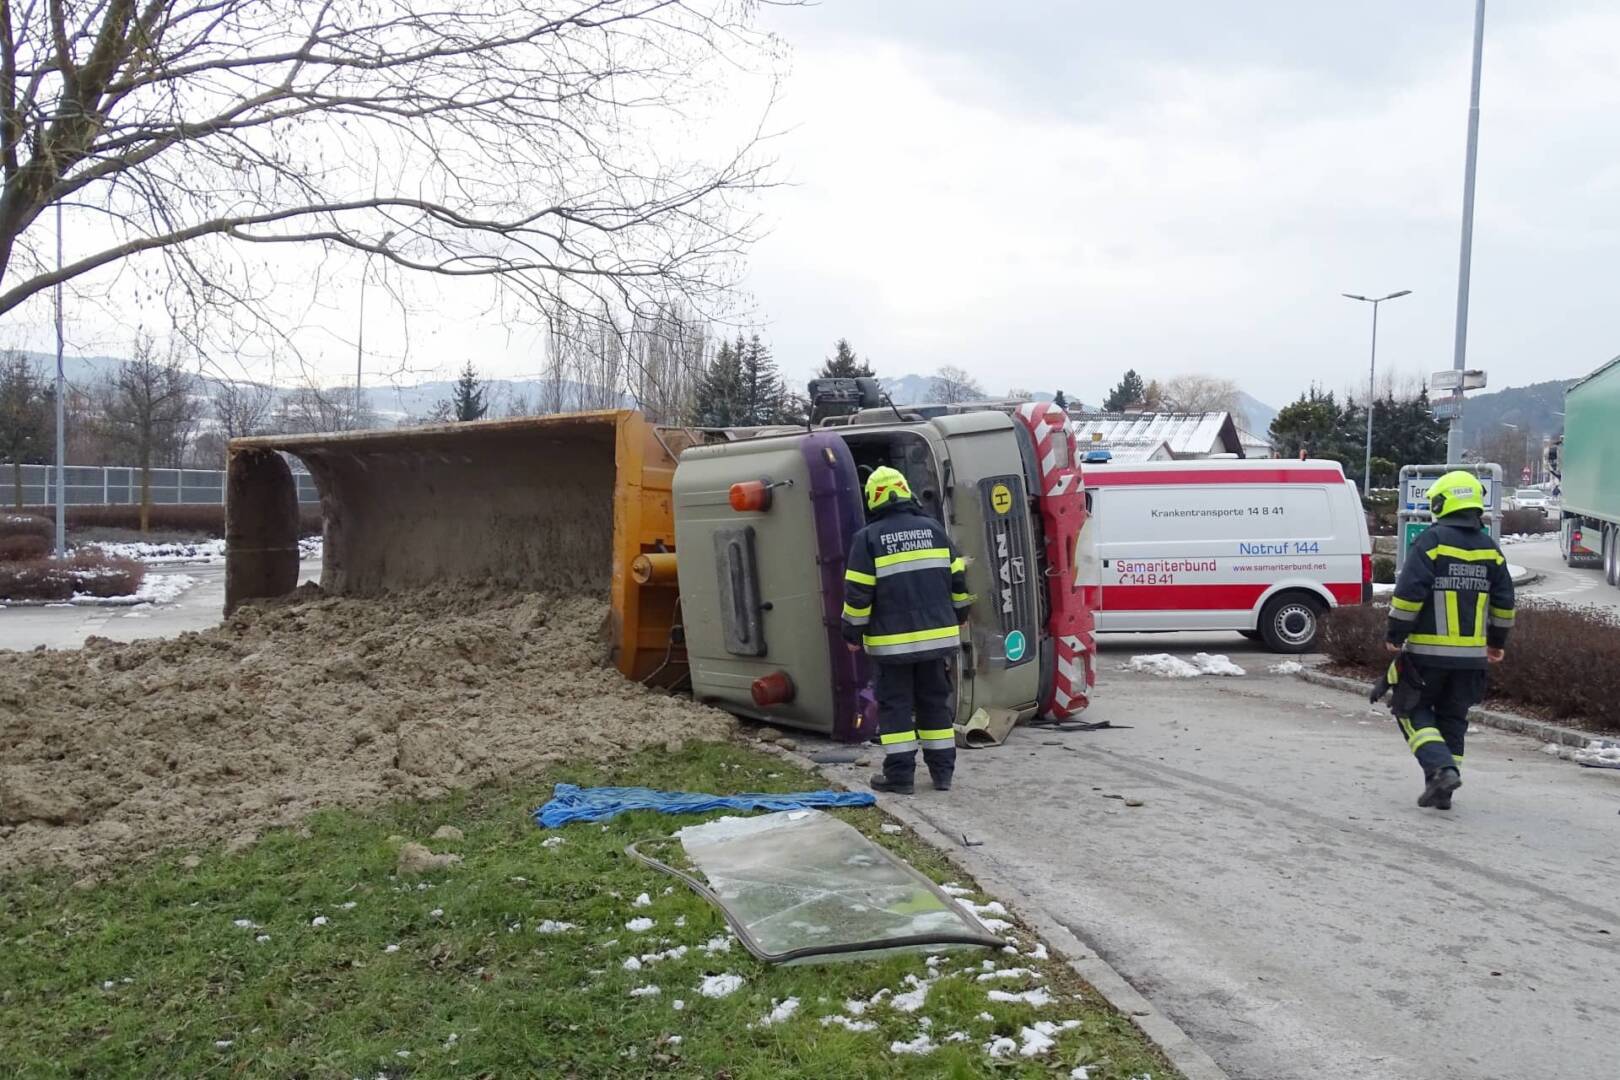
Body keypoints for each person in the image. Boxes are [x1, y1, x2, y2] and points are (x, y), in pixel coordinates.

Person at [1383, 471, 1515, 810]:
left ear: (1441, 503)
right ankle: (1443, 789)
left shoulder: (1432, 541)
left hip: (1428, 654)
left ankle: (1441, 770)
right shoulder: (1491, 549)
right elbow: (1504, 603)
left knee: (1410, 710)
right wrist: (1497, 642)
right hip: (1472, 661)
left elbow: (1409, 593)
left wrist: (1395, 634)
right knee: (1453, 718)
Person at [841, 466, 973, 794]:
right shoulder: (934, 529)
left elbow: (858, 593)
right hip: (936, 640)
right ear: (906, 492)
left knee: (896, 707)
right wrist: (960, 614)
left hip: (891, 646)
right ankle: (943, 774)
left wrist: (851, 634)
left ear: (873, 500)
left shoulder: (867, 539)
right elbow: (958, 579)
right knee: (934, 703)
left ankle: (899, 777)